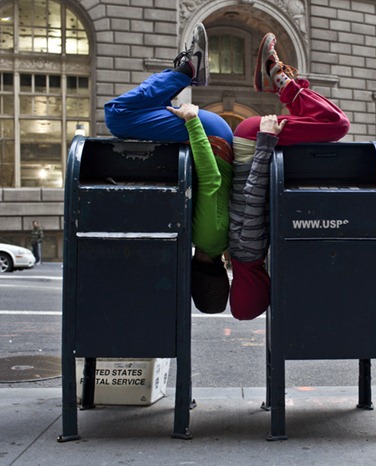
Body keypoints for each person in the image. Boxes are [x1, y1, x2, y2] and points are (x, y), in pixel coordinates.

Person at [104, 24, 233, 314]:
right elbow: (211, 180)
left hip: (213, 139)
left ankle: (183, 73)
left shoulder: (217, 243)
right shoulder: (208, 237)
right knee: (118, 116)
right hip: (211, 138)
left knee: (146, 110)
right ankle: (187, 71)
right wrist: (192, 122)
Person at [228, 33, 350, 321]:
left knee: (336, 123)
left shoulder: (249, 251)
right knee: (315, 124)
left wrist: (267, 142)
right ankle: (276, 80)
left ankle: (277, 75)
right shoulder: (243, 257)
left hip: (253, 140)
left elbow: (252, 195)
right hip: (251, 143)